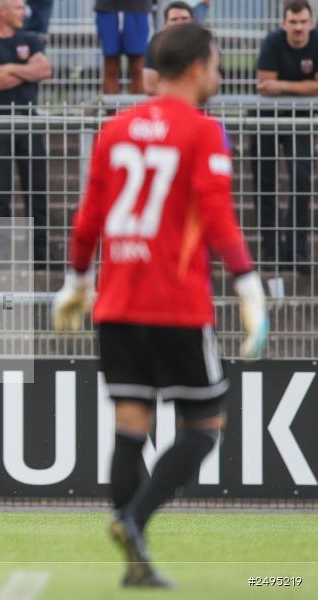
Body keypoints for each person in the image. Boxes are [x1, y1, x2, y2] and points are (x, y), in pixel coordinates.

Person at [53, 23, 269, 588]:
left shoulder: (115, 129)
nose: (219, 74)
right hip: (175, 304)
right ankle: (133, 519)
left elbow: (89, 216)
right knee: (205, 423)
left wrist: (76, 281)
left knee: (130, 426)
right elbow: (217, 215)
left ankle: (135, 566)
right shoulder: (203, 132)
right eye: (217, 63)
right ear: (198, 67)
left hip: (117, 304)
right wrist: (248, 284)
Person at [0, 0, 52, 267]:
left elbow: (44, 70)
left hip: (29, 125)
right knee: (0, 194)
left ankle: (41, 254)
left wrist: (7, 69)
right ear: (1, 11)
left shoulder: (31, 39)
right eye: (17, 7)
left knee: (36, 191)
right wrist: (26, 72)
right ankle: (0, 256)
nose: (23, 12)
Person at [252, 0, 317, 273]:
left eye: (303, 22)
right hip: (266, 118)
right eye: (293, 22)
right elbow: (266, 86)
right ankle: (272, 249)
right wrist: (305, 87)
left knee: (301, 181)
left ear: (311, 23)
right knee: (264, 183)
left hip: (299, 120)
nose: (298, 27)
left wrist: (283, 85)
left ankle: (297, 251)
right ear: (284, 23)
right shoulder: (272, 41)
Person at [96, 0, 153, 94]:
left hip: (138, 8)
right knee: (110, 66)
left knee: (138, 67)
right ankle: (112, 108)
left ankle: (138, 108)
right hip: (107, 7)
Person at [143, 1, 194, 95]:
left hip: (197, 106)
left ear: (192, 21)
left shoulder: (204, 43)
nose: (180, 23)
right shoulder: (156, 43)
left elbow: (212, 86)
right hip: (168, 103)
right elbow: (149, 86)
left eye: (184, 18)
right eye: (174, 19)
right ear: (165, 24)